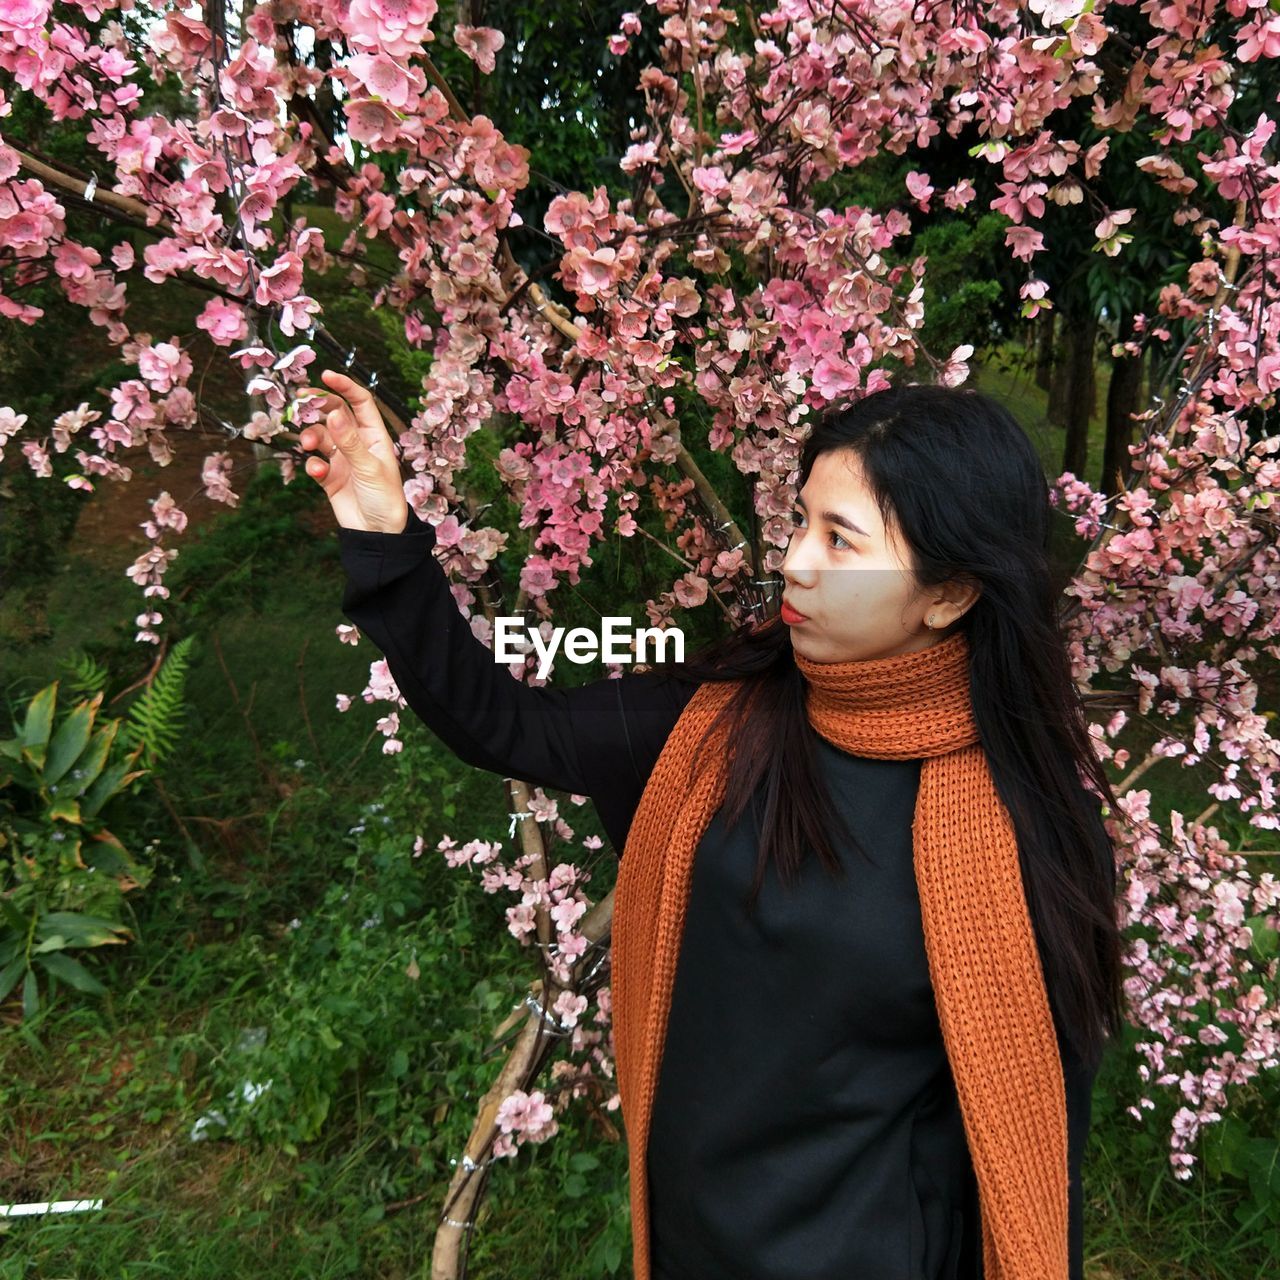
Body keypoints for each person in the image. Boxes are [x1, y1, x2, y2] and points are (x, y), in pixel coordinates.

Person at [297, 368, 1125, 1280]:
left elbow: (1043, 1134)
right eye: (801, 521)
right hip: (693, 1242)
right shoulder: (716, 729)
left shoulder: (1027, 822)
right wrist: (385, 535)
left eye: (841, 540)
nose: (797, 562)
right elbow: (501, 721)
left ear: (951, 593)